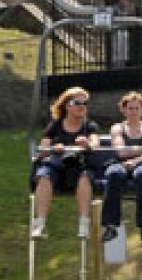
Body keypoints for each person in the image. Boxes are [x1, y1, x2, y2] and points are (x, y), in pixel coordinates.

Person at [30, 88, 99, 240]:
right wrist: (53, 149)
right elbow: (43, 150)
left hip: (79, 166)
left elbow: (95, 144)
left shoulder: (89, 126)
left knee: (85, 178)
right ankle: (40, 223)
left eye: (85, 103)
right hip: (57, 166)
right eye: (77, 103)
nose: (82, 106)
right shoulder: (55, 126)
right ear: (67, 106)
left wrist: (86, 144)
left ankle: (83, 224)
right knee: (44, 175)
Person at [102, 92, 142, 243]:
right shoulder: (117, 128)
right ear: (124, 110)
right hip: (121, 164)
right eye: (130, 108)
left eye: (137, 108)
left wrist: (136, 160)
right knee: (114, 173)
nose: (133, 111)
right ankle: (111, 225)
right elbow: (121, 151)